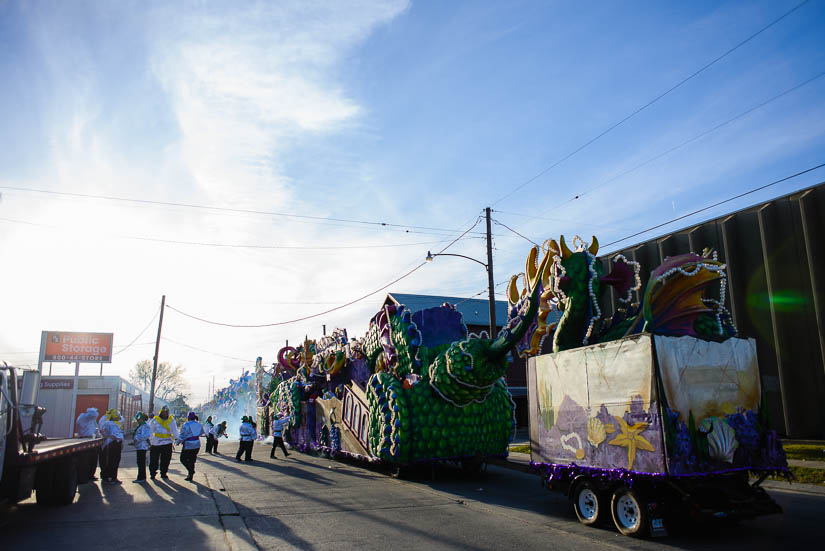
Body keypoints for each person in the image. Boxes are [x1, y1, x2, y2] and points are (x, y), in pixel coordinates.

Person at [149, 405, 179, 480]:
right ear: (161, 412)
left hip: (167, 442)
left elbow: (175, 430)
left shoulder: (171, 420)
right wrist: (149, 440)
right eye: (164, 412)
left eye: (167, 412)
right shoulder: (155, 420)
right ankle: (152, 473)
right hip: (156, 442)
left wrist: (176, 438)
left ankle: (163, 473)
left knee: (166, 459)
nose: (165, 413)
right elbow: (150, 430)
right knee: (154, 459)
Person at [177, 412, 204, 482]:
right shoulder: (199, 424)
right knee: (192, 460)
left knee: (183, 459)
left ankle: (191, 471)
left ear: (188, 417)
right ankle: (190, 475)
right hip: (197, 444)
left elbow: (182, 435)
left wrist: (177, 442)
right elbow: (201, 432)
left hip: (188, 445)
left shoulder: (186, 425)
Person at [99, 409, 124, 484]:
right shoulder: (109, 424)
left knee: (115, 461)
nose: (119, 417)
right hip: (111, 444)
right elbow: (112, 434)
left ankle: (112, 477)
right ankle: (108, 477)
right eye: (117, 415)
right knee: (110, 461)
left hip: (115, 443)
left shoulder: (114, 423)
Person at [75, 407, 100, 480]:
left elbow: (96, 429)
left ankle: (90, 475)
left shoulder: (92, 420)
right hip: (85, 439)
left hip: (92, 439)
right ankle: (85, 475)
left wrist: (98, 436)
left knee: (93, 459)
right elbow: (93, 414)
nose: (95, 416)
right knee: (86, 459)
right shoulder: (83, 418)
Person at [132, 412, 151, 483]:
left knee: (141, 462)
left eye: (138, 419)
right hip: (140, 446)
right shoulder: (141, 426)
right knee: (140, 462)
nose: (137, 420)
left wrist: (136, 438)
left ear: (142, 419)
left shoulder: (145, 426)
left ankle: (141, 477)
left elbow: (145, 436)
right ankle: (141, 477)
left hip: (142, 446)